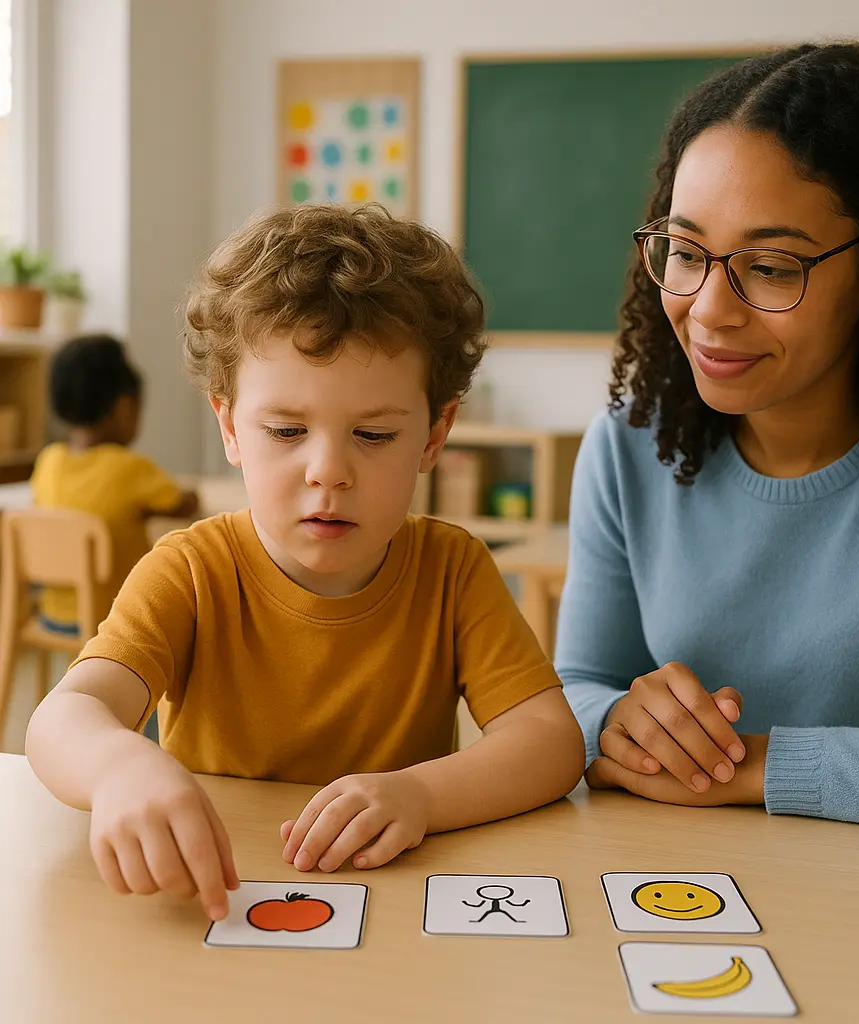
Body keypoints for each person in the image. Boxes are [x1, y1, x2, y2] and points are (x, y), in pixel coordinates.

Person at [26, 204, 585, 921]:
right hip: (219, 901)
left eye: (374, 435)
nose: (329, 471)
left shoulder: (454, 570)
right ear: (229, 425)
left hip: (391, 910)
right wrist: (118, 766)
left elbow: (549, 744)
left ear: (434, 434)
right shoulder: (190, 571)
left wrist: (420, 795)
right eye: (287, 430)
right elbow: (63, 716)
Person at [555, 42, 859, 838]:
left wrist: (751, 767)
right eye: (687, 250)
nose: (709, 310)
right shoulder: (630, 440)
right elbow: (576, 688)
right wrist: (618, 723)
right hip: (692, 893)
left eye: (771, 267)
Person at [30, 334, 198, 633]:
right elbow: (184, 505)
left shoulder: (48, 460)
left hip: (52, 614)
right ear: (124, 407)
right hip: (116, 615)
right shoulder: (129, 468)